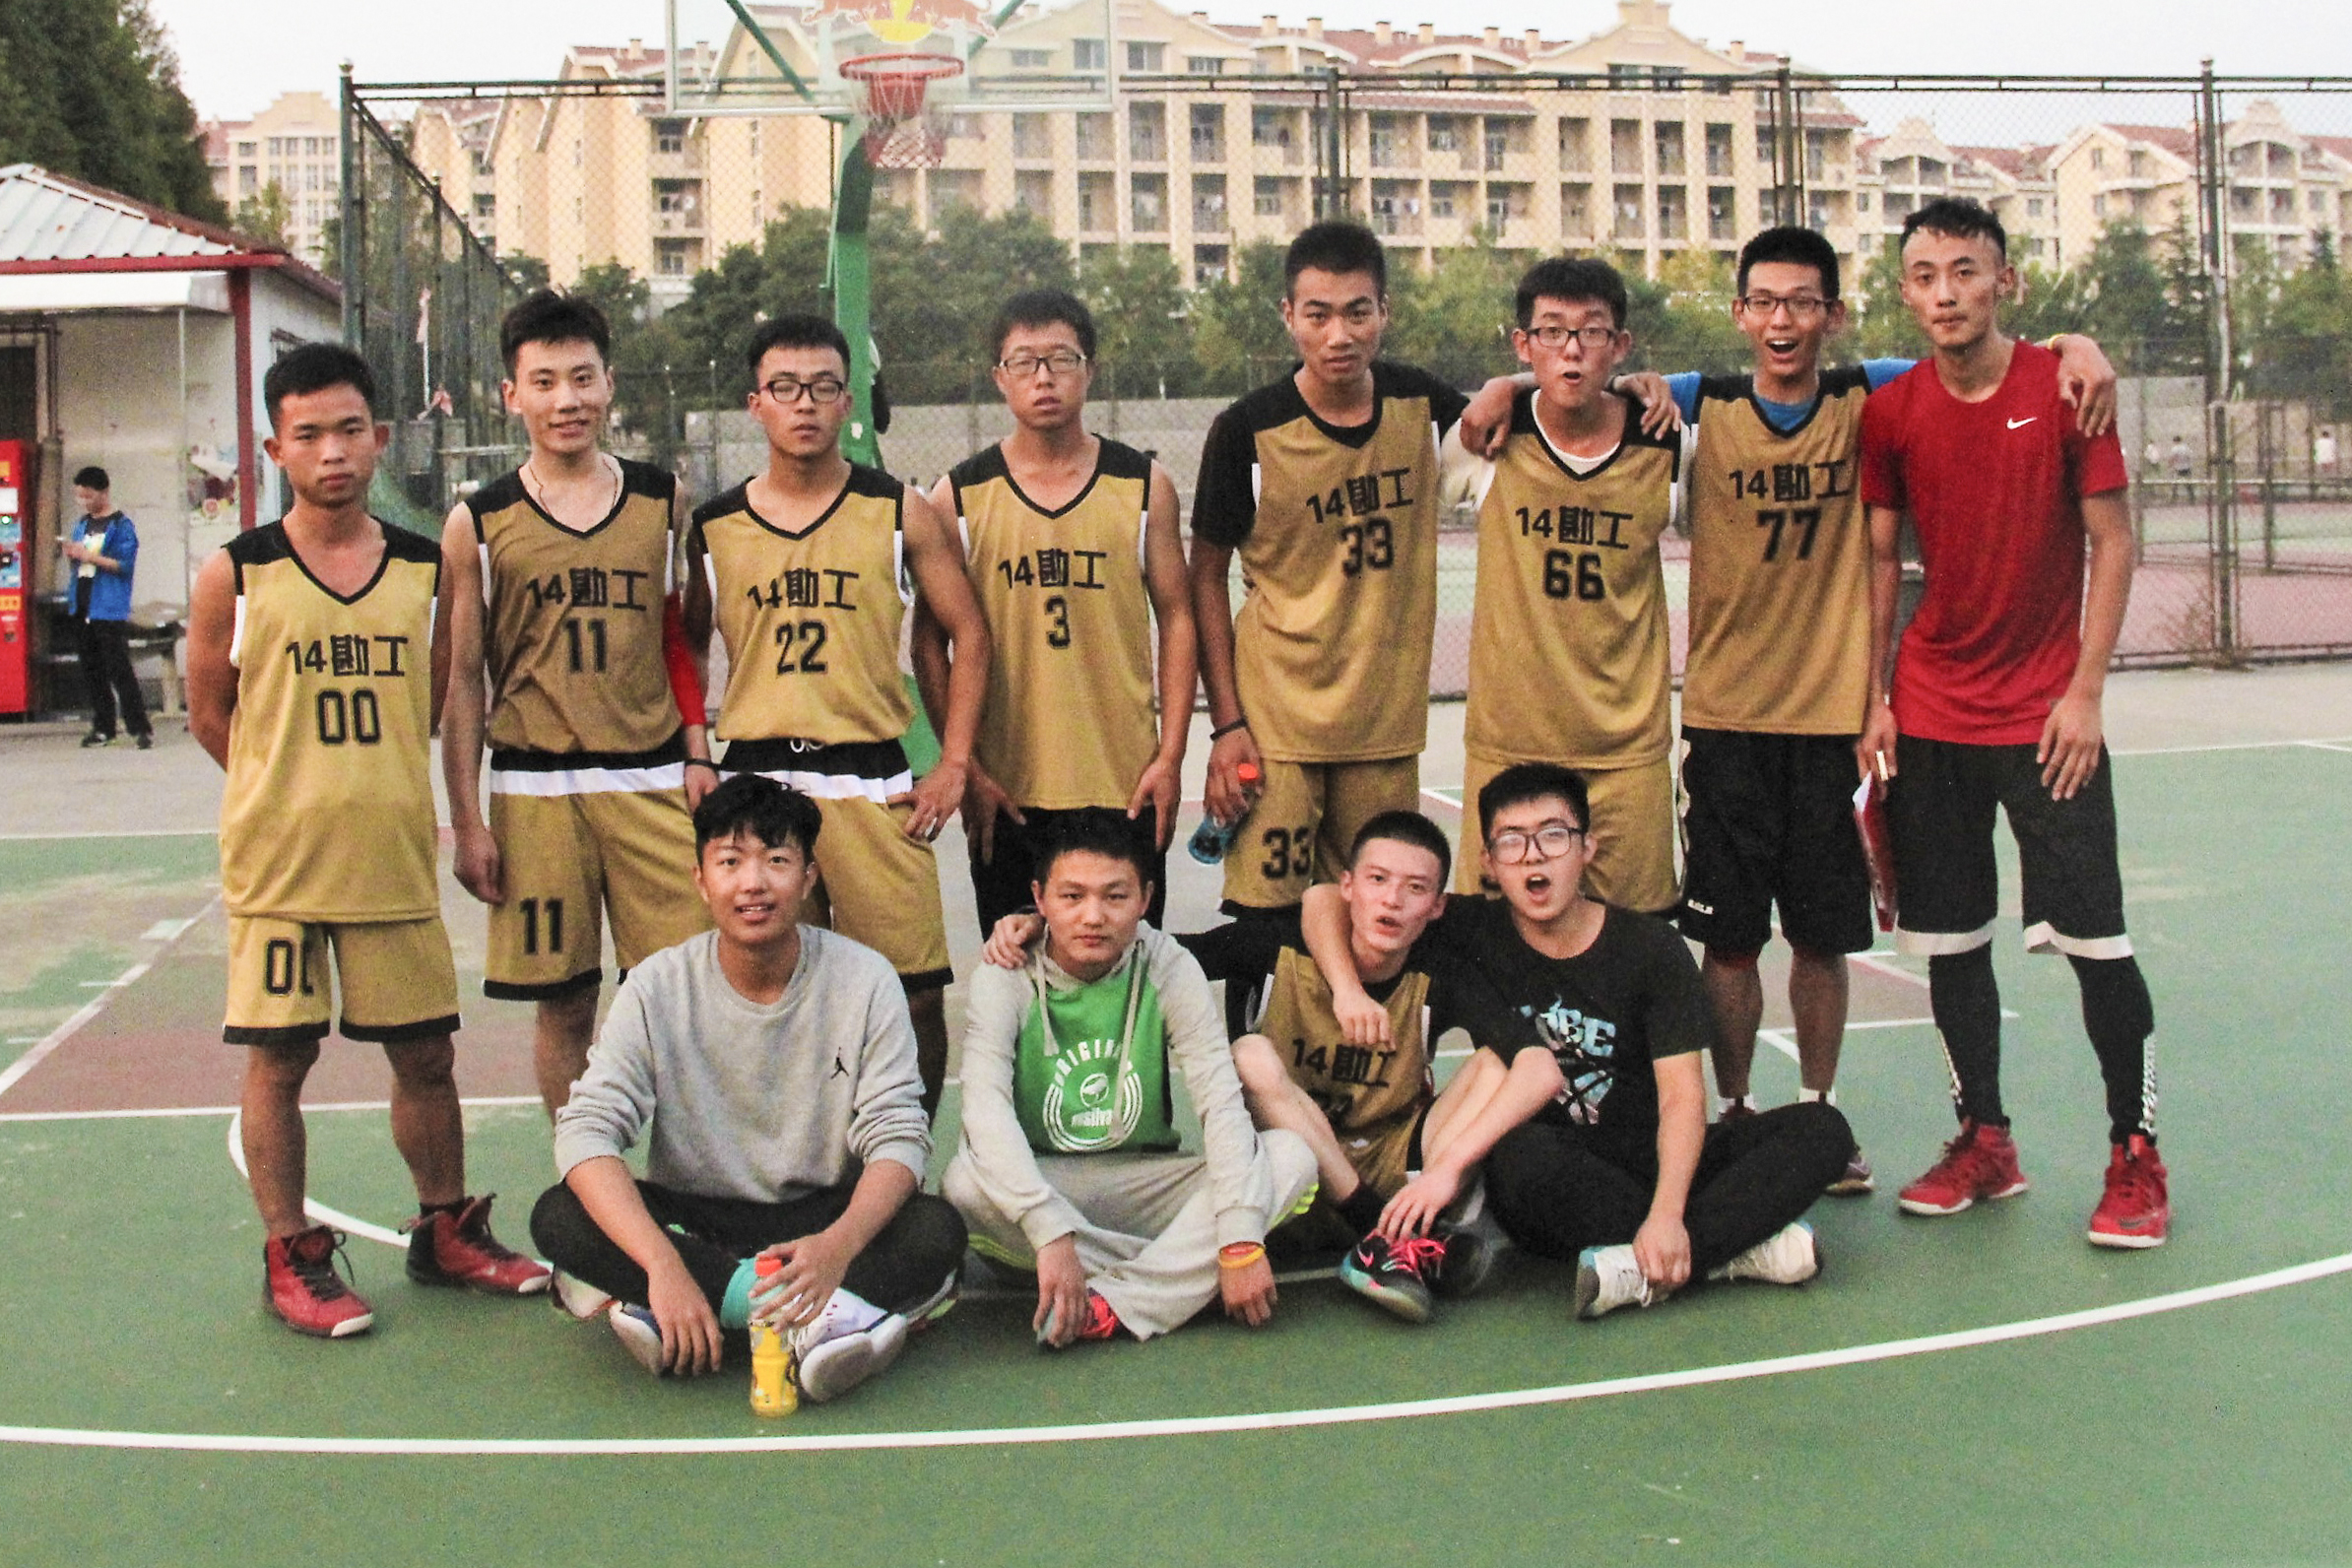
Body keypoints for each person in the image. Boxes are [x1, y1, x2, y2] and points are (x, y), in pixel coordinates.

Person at [1455, 229, 2115, 1199]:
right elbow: (1584, 373)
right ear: (1739, 314)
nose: (1782, 320)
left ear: (1832, 316)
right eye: (1763, 302)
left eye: (1803, 302)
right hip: (1725, 718)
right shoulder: (1697, 408)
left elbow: (1974, 352)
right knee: (1727, 942)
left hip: (1830, 721)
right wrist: (1501, 387)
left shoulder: (1865, 395)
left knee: (1819, 940)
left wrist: (2070, 345)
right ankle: (1733, 1110)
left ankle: (1818, 1108)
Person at [184, 343, 547, 1339]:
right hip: (278, 867)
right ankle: (291, 1252)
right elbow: (211, 713)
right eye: (308, 435)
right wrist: (284, 788)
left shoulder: (427, 569)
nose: (333, 452)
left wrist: (425, 806)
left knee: (425, 1054)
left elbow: (438, 702)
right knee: (280, 1059)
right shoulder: (235, 573)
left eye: (350, 430)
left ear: (380, 437)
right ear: (276, 450)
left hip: (390, 857)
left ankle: (445, 1228)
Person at [1859, 197, 2168, 1249]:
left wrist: (2086, 692)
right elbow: (1879, 560)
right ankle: (1985, 1139)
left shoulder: (2068, 388)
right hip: (1931, 711)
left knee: (2097, 943)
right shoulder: (1892, 411)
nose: (1945, 292)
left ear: (2006, 283)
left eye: (1965, 271)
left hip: (2046, 719)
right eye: (1924, 275)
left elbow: (2113, 542)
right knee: (1951, 944)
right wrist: (1875, 698)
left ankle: (2135, 1152)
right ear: (1905, 292)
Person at [1313, 763, 1854, 1320]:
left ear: (1586, 848)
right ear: (1489, 862)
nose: (1533, 857)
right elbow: (1325, 900)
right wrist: (1348, 990)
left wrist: (1667, 1215)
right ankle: (1732, 1250)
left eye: (1553, 836)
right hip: (1552, 1170)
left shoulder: (1651, 949)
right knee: (1516, 1156)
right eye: (1512, 841)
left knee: (1823, 1129)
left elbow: (1682, 1098)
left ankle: (1658, 1260)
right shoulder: (1471, 928)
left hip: (1648, 1152)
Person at [530, 774, 966, 1397]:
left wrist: (838, 1247)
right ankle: (813, 1316)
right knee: (560, 1216)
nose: (753, 883)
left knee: (935, 1228)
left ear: (809, 878)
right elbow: (586, 1130)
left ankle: (690, 1303)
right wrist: (662, 1262)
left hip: (819, 1217)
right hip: (696, 1218)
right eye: (730, 862)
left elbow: (899, 1135)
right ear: (701, 880)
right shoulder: (656, 985)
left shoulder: (866, 980)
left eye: (776, 861)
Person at [982, 810, 1502, 1324]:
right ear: (1347, 885)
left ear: (1437, 905)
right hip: (1276, 1174)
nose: (1392, 900)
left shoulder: (1439, 966)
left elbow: (1531, 1061)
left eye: (1415, 888)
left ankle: (1131, 1295)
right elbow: (1155, 946)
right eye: (1378, 880)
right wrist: (1046, 925)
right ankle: (1374, 1238)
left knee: (1491, 1068)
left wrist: (1447, 1172)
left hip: (1387, 1171)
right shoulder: (1274, 945)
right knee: (1251, 1059)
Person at [685, 313, 992, 1115]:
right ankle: (790, 1164)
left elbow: (969, 632)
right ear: (755, 403)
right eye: (785, 388)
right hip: (757, 778)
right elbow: (679, 650)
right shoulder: (714, 527)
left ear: (847, 400)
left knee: (914, 995)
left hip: (870, 774)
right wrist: (694, 751)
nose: (805, 404)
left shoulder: (899, 509)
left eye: (823, 387)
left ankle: (903, 1161)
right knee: (770, 996)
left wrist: (954, 762)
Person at [441, 291, 714, 1124]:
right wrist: (467, 820)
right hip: (535, 789)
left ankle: (687, 1176)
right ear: (511, 395)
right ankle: (585, 1173)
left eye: (583, 378)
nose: (567, 400)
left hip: (649, 778)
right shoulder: (478, 522)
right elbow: (463, 679)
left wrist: (698, 749)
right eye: (546, 381)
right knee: (564, 1004)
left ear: (609, 384)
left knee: (678, 995)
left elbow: (677, 635)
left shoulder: (663, 499)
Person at [944, 810, 1318, 1346]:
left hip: (1145, 1181)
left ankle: (1120, 1300)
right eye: (1072, 897)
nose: (1093, 916)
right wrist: (1048, 1229)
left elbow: (1220, 1101)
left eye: (1115, 896)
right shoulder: (1005, 971)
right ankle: (1183, 1274)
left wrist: (1238, 1239)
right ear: (1040, 899)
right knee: (964, 1184)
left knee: (1291, 1156)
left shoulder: (1169, 965)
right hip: (1048, 1184)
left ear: (1145, 899)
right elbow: (985, 1111)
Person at [1188, 223, 1469, 923]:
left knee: (1380, 920)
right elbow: (1204, 578)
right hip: (1276, 724)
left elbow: (1529, 422)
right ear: (1289, 316)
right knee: (1269, 920)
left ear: (1384, 312)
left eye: (1357, 312)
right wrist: (1227, 725)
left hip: (1383, 725)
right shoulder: (1247, 431)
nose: (1339, 335)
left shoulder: (1424, 408)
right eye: (1318, 315)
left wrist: (1512, 387)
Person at [915, 289, 1195, 934]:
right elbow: (929, 643)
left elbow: (1179, 618)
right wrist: (967, 766)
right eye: (1024, 362)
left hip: (1123, 783)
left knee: (1124, 968)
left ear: (1090, 370)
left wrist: (1171, 756)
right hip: (1008, 792)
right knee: (1015, 970)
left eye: (1061, 359)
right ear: (999, 377)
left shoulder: (1143, 486)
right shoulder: (958, 497)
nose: (1043, 378)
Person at [1441, 256, 1682, 916]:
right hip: (1511, 748)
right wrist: (1505, 387)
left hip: (1624, 754)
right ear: (1524, 344)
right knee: (1493, 943)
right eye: (1552, 332)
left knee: (1636, 943)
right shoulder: (1487, 438)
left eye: (1591, 332)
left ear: (1621, 345)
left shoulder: (1666, 444)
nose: (1572, 350)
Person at [61, 466, 154, 750]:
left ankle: (139, 726)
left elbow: (124, 565)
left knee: (119, 668)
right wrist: (73, 554)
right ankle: (103, 726)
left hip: (108, 606)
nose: (83, 502)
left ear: (103, 492)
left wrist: (89, 556)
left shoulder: (121, 525)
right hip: (82, 602)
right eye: (79, 496)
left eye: (88, 496)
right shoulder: (82, 524)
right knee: (92, 669)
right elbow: (78, 562)